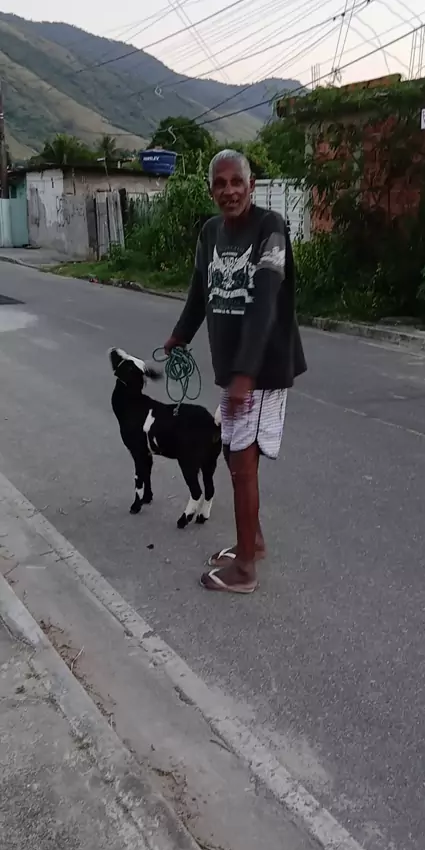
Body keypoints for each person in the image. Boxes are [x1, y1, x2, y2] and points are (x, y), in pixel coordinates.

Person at [164, 149, 306, 594]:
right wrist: (180, 335)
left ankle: (245, 569)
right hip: (234, 371)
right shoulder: (210, 232)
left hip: (262, 368)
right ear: (211, 190)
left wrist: (246, 372)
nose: (229, 190)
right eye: (220, 183)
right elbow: (199, 291)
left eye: (236, 181)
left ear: (251, 185)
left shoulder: (270, 228)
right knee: (230, 451)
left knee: (242, 461)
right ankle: (253, 541)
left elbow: (265, 299)